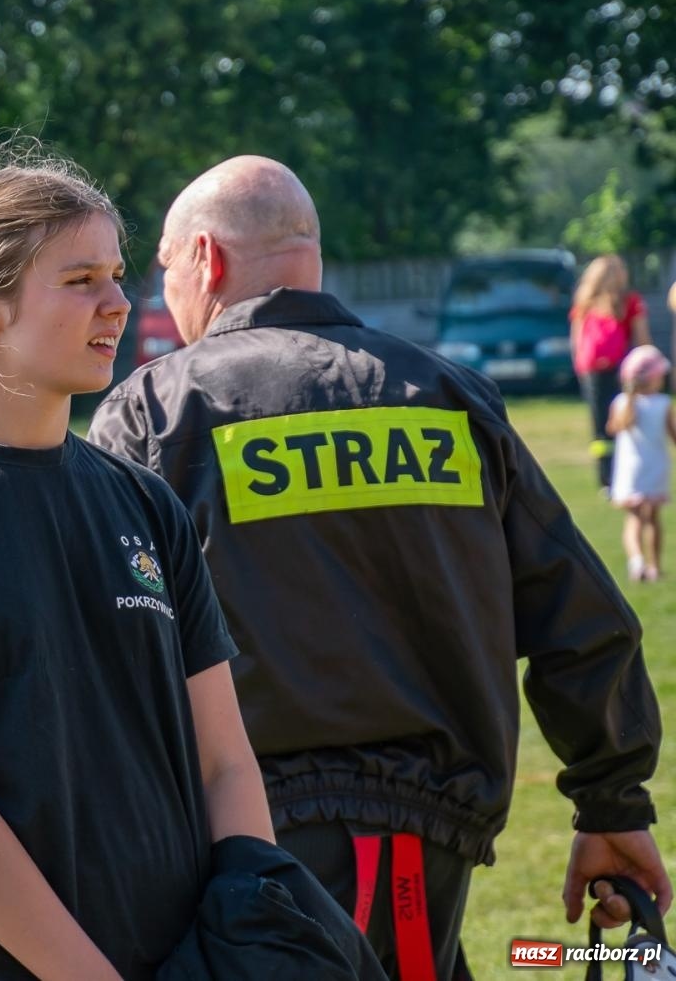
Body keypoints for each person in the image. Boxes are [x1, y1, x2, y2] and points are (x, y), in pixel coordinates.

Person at [89, 156, 668, 981]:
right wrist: (612, 802)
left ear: (207, 260)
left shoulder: (156, 410)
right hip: (435, 840)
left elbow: (98, 651)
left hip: (243, 847)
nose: (159, 297)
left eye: (165, 270)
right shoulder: (450, 395)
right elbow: (582, 616)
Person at [0, 149, 277, 980]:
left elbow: (225, 761)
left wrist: (248, 931)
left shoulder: (145, 505)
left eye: (116, 273)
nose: (118, 302)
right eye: (80, 280)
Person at [572, 254, 651, 491]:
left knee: (600, 427)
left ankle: (605, 478)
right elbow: (642, 338)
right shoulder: (630, 302)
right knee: (626, 421)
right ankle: (626, 473)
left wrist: (579, 370)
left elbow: (577, 342)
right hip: (620, 369)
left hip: (592, 372)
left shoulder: (584, 303)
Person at [608, 344, 676, 582]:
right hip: (656, 467)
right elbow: (673, 434)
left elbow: (612, 428)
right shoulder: (663, 403)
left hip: (630, 470)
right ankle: (655, 566)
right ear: (656, 377)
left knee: (634, 518)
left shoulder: (621, 403)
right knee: (653, 519)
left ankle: (636, 561)